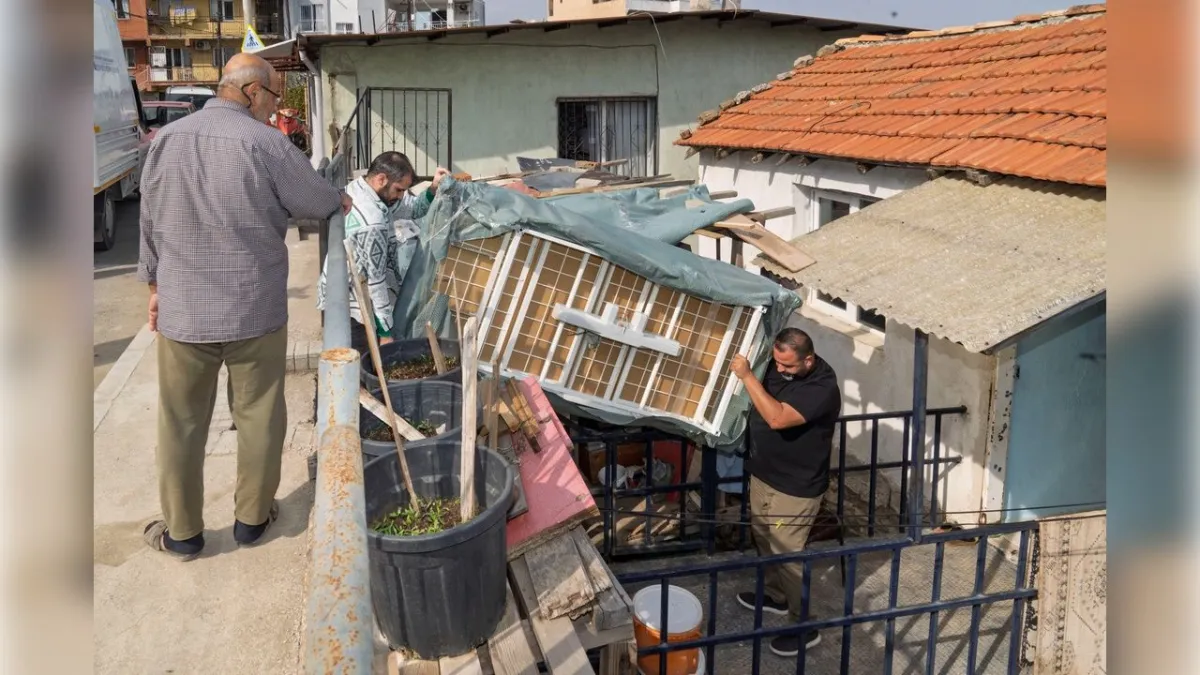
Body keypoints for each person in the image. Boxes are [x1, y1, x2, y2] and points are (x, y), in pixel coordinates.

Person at [137, 53, 351, 560]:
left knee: (181, 423)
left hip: (184, 313)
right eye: (274, 97)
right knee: (257, 414)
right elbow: (317, 203)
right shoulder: (266, 144)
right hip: (253, 311)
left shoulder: (165, 140)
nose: (275, 109)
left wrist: (154, 288)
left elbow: (149, 222)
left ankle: (183, 533)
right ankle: (252, 521)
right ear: (253, 92)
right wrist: (337, 198)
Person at [729, 327, 842, 657]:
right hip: (764, 474)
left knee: (787, 554)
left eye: (788, 366)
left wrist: (748, 376)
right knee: (763, 538)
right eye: (777, 363)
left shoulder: (822, 387)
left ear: (808, 359)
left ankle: (803, 624)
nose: (780, 371)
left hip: (795, 489)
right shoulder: (779, 367)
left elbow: (778, 418)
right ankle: (777, 596)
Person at [316, 152, 451, 352]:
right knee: (362, 365)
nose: (400, 196)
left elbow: (411, 209)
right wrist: (385, 334)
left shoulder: (359, 188)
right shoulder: (373, 222)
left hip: (339, 290)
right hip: (355, 305)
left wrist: (433, 188)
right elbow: (376, 283)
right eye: (398, 190)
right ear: (381, 179)